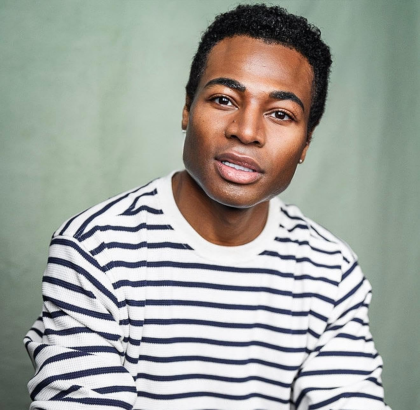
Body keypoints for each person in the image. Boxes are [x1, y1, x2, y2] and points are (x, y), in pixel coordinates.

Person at [24, 4, 390, 410]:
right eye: (223, 99)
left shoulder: (331, 271)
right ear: (187, 108)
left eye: (281, 114)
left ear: (306, 142)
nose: (246, 131)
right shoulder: (94, 249)